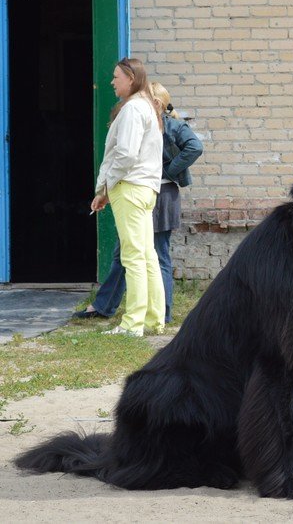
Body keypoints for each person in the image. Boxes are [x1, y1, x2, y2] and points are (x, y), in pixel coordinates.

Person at [75, 82, 203, 324]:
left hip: (160, 194)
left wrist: (168, 169)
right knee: (128, 252)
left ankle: (160, 312)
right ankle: (107, 305)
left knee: (154, 254)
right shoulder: (147, 120)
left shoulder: (170, 124)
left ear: (158, 103)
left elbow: (195, 146)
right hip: (148, 191)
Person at [90, 58, 166, 337]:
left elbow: (125, 154)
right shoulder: (148, 106)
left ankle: (132, 323)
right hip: (144, 188)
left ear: (131, 78)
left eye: (116, 77)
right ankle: (153, 319)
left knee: (134, 257)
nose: (112, 82)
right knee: (146, 256)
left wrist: (105, 188)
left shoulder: (134, 108)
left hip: (130, 187)